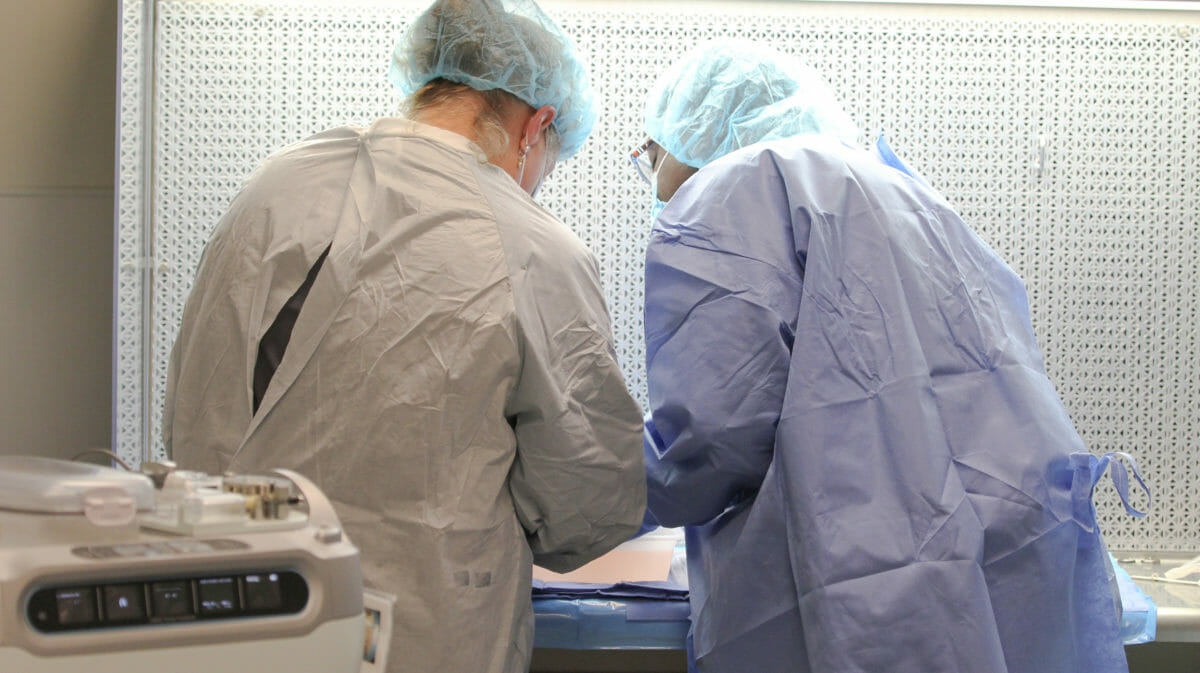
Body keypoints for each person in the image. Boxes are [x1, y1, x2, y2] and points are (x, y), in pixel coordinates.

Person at [163, 1, 646, 671]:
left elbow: (193, 407)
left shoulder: (274, 185)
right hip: (423, 631)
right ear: (536, 127)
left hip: (241, 611)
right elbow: (586, 497)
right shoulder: (531, 245)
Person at [637, 39, 1144, 673]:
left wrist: (603, 486)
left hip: (872, 589)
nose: (654, 177)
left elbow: (713, 441)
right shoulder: (907, 194)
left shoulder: (725, 194)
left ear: (695, 132)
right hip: (1007, 556)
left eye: (651, 154)